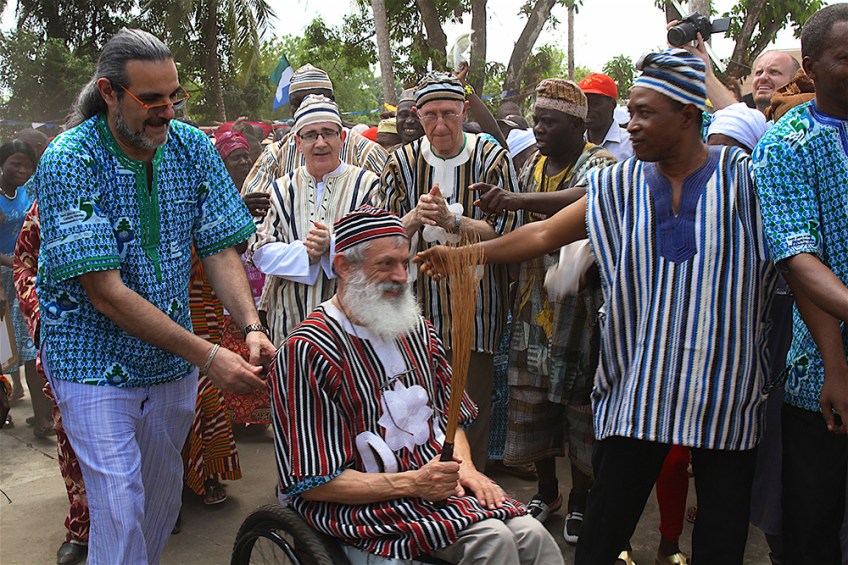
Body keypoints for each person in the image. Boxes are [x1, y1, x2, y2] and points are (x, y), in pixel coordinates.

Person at [417, 48, 777, 564]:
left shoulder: (746, 180)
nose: (631, 125)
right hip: (638, 391)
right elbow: (542, 234)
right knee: (604, 534)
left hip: (723, 392)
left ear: (689, 116)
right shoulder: (621, 185)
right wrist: (462, 255)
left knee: (721, 539)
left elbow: (797, 261)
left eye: (646, 113)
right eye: (631, 112)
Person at [29, 29, 274, 564]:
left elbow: (219, 248)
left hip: (169, 366)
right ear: (110, 92)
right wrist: (210, 357)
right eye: (152, 100)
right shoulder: (72, 159)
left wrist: (252, 326)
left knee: (160, 504)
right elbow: (106, 293)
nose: (167, 111)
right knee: (119, 505)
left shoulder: (191, 148)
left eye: (174, 97)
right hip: (90, 361)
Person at [272, 205, 563, 565]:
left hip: (434, 486)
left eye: (404, 262)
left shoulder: (419, 331)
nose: (401, 276)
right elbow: (313, 481)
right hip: (362, 506)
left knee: (533, 535)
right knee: (492, 542)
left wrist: (468, 469)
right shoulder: (308, 351)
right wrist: (412, 483)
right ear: (344, 267)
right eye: (386, 264)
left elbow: (449, 417)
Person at [474, 79, 616, 547]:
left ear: (577, 125)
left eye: (549, 122)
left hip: (580, 316)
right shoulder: (529, 166)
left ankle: (581, 502)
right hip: (531, 309)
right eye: (536, 120)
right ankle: (547, 492)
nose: (539, 129)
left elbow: (583, 199)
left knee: (579, 411)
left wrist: (517, 200)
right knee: (532, 405)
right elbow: (514, 222)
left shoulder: (601, 163)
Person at [381, 71, 520, 471]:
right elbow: (381, 237)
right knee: (414, 398)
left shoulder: (490, 157)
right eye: (429, 115)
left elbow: (510, 232)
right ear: (418, 115)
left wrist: (455, 223)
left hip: (476, 307)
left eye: (448, 113)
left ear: (463, 110)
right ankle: (421, 481)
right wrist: (413, 217)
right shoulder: (401, 163)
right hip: (413, 308)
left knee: (470, 399)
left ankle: (471, 487)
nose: (439, 124)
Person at [752, 5, 848, 562]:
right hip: (820, 372)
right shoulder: (789, 143)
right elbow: (798, 258)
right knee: (812, 523)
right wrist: (836, 364)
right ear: (811, 66)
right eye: (844, 57)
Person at [251, 94, 381, 346]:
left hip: (353, 327)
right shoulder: (279, 189)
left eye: (328, 133)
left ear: (342, 138)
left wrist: (332, 246)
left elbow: (379, 248)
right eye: (310, 135)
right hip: (290, 324)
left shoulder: (368, 186)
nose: (320, 143)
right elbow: (259, 251)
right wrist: (306, 254)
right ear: (298, 142)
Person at [241, 63, 388, 205]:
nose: (308, 106)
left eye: (316, 98)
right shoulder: (275, 154)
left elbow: (392, 206)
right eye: (298, 102)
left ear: (333, 102)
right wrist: (247, 207)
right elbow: (254, 206)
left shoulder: (366, 152)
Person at [0, 139, 51, 436]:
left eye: (27, 165)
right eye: (15, 163)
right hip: (5, 278)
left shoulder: (26, 191)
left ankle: (41, 417)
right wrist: (19, 262)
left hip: (25, 274)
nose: (21, 169)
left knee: (32, 349)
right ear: (2, 164)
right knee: (4, 351)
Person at [578, 73, 633, 161]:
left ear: (612, 105)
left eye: (594, 103)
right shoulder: (574, 143)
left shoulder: (631, 144)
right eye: (583, 103)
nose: (587, 109)